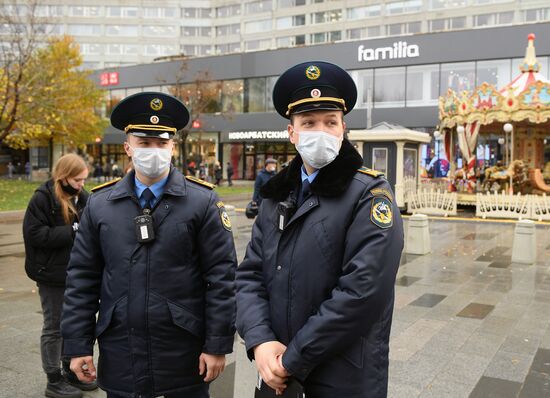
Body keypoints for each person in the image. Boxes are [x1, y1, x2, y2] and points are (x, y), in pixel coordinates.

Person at [236, 61, 404, 397]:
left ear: (343, 129)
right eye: (309, 123)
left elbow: (361, 293)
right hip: (276, 372)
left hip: (341, 377)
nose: (321, 131)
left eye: (330, 122)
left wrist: (291, 360)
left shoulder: (369, 195)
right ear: (292, 132)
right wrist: (261, 341)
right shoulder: (275, 196)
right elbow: (249, 276)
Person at [61, 92, 237, 398]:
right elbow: (82, 279)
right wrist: (77, 345)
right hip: (121, 353)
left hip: (183, 356)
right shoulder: (100, 204)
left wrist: (217, 345)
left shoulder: (202, 201)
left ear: (173, 146)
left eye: (161, 142)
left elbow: (222, 279)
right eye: (144, 142)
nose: (153, 150)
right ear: (128, 147)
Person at [22, 153, 94, 398]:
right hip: (51, 273)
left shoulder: (83, 198)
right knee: (54, 327)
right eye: (77, 180)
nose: (82, 184)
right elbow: (35, 235)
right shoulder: (42, 198)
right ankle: (53, 380)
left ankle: (70, 371)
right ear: (63, 177)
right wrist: (72, 230)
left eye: (84, 179)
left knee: (72, 324)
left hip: (75, 271)